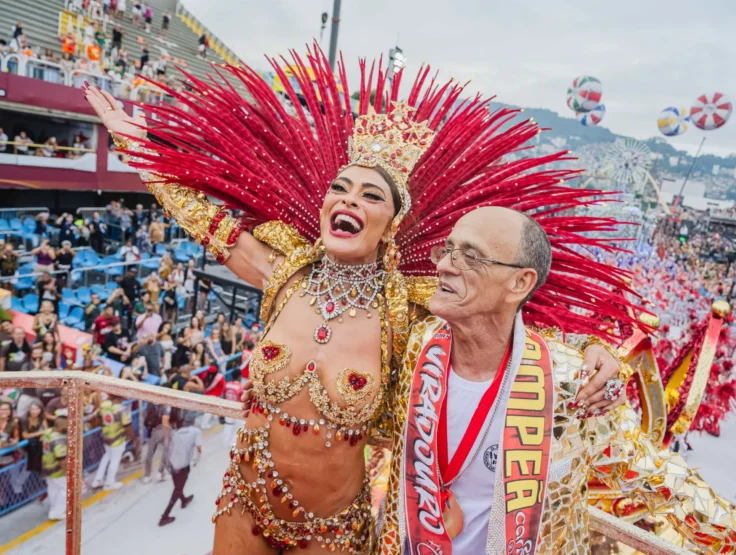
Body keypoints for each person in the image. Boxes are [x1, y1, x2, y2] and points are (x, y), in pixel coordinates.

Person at [86, 51, 633, 553]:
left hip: (331, 530)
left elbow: (499, 319)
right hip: (241, 508)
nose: (348, 200)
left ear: (390, 225)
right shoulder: (285, 273)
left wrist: (593, 349)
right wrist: (136, 145)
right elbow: (200, 217)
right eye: (340, 189)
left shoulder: (407, 311)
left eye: (370, 196)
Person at [387, 206, 736, 554]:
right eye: (448, 249)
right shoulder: (417, 343)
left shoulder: (574, 383)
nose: (444, 265)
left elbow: (661, 482)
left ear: (520, 283)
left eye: (470, 256)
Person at [159, 410, 200, 526]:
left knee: (178, 486)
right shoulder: (194, 432)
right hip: (183, 466)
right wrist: (196, 461)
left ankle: (184, 500)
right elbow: (198, 449)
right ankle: (165, 516)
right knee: (177, 489)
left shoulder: (173, 433)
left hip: (172, 465)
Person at [91, 395, 136, 490]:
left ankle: (97, 480)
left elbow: (98, 417)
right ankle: (109, 483)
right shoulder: (123, 409)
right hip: (118, 439)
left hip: (106, 436)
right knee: (115, 460)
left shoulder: (104, 405)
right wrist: (134, 438)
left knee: (106, 456)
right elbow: (127, 426)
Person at [41, 415, 68, 520]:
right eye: (67, 425)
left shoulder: (48, 432)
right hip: (57, 469)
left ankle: (53, 510)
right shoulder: (59, 440)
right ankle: (58, 512)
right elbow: (62, 459)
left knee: (52, 488)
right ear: (60, 426)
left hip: (47, 466)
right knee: (65, 489)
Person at [142, 396, 172, 483]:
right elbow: (164, 421)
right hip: (161, 431)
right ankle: (161, 473)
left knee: (150, 453)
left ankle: (147, 476)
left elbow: (146, 416)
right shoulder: (166, 405)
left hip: (151, 431)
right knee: (167, 450)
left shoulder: (150, 402)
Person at [0, 400, 20, 469]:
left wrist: (11, 443)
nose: (4, 411)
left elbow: (16, 438)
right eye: (2, 409)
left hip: (6, 454)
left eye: (7, 409)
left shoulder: (13, 423)